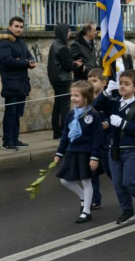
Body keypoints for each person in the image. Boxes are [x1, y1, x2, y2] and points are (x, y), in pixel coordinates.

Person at [94, 70, 135, 224]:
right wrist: (106, 92)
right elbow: (96, 105)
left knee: (129, 182)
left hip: (129, 150)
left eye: (127, 84)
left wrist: (122, 123)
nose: (122, 86)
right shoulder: (114, 103)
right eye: (120, 83)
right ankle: (127, 209)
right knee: (117, 183)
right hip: (113, 150)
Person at [54, 81, 103, 223]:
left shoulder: (93, 115)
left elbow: (97, 139)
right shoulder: (71, 115)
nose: (73, 98)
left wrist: (95, 157)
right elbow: (65, 136)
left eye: (77, 96)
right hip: (71, 152)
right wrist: (59, 152)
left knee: (86, 181)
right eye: (72, 95)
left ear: (86, 98)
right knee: (64, 180)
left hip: (86, 154)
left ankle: (86, 211)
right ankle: (83, 197)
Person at [0, 17, 36, 152]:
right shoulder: (4, 42)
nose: (19, 29)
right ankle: (7, 142)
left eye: (21, 27)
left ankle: (14, 138)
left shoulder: (21, 43)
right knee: (10, 114)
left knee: (18, 113)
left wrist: (28, 61)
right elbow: (7, 61)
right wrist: (24, 63)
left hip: (22, 84)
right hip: (10, 84)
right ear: (10, 26)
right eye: (16, 26)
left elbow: (30, 57)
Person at [48, 23, 82, 139]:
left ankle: (56, 131)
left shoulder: (54, 45)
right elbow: (67, 66)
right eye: (68, 31)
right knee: (64, 107)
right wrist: (76, 65)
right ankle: (64, 131)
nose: (70, 33)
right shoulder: (62, 47)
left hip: (55, 80)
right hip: (63, 80)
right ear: (63, 32)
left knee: (57, 106)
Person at [87, 68, 111, 210]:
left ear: (103, 83)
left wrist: (106, 123)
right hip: (91, 142)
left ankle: (126, 192)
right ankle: (95, 199)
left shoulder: (108, 99)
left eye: (94, 81)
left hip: (105, 141)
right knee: (92, 171)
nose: (90, 83)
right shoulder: (87, 99)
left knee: (110, 170)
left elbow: (112, 114)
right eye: (88, 80)